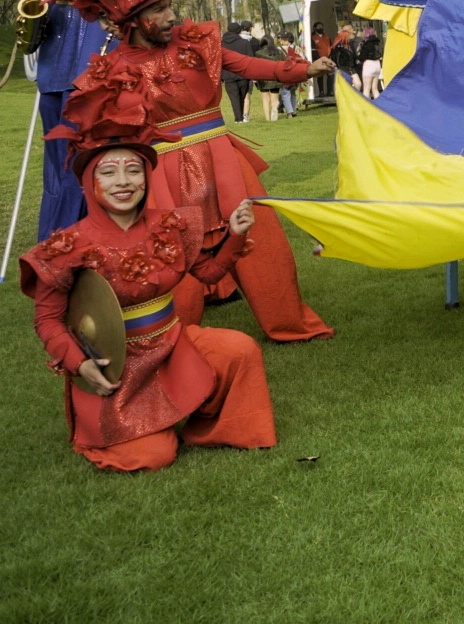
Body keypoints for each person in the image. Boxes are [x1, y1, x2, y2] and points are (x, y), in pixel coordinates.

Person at [45, 0, 337, 342]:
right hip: (164, 168)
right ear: (131, 19)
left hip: (223, 157)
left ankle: (289, 322)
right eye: (159, 11)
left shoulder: (196, 42)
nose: (171, 17)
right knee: (173, 245)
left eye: (170, 6)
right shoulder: (114, 68)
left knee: (260, 237)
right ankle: (176, 335)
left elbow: (247, 66)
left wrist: (305, 70)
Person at [19, 89, 276, 473]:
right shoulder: (66, 246)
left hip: (172, 345)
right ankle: (145, 426)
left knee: (239, 350)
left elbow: (206, 273)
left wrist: (234, 235)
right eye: (108, 171)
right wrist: (79, 364)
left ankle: (205, 424)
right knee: (153, 456)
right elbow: (48, 321)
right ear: (90, 181)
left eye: (134, 169)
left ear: (146, 176)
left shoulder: (168, 225)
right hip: (116, 366)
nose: (123, 181)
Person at [28, 0, 132, 239]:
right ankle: (57, 239)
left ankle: (97, 235)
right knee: (56, 158)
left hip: (99, 58)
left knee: (93, 153)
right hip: (54, 60)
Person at [220, 21, 256, 123]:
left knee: (234, 97)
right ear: (239, 31)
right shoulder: (244, 43)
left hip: (228, 75)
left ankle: (238, 118)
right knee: (242, 96)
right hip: (242, 74)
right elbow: (250, 59)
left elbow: (218, 60)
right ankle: (239, 118)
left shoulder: (221, 44)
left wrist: (221, 76)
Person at [311, 22, 334, 101]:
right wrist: (319, 59)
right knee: (320, 76)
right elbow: (313, 50)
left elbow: (330, 47)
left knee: (330, 75)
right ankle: (321, 91)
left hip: (328, 58)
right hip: (319, 59)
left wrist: (330, 57)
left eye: (322, 26)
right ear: (314, 28)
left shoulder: (326, 37)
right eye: (318, 27)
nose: (320, 28)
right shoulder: (312, 37)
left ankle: (330, 91)